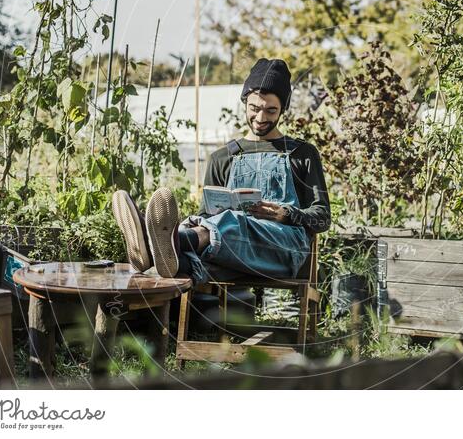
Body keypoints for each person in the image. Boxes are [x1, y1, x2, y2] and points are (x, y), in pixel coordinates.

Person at [111, 58, 331, 283]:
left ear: (282, 109)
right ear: (244, 102)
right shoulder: (223, 157)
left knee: (229, 223)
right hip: (228, 250)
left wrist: (286, 214)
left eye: (271, 111)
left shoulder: (302, 154)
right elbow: (207, 216)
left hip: (281, 249)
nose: (261, 118)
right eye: (255, 108)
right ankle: (159, 250)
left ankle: (152, 241)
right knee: (194, 249)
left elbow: (322, 218)